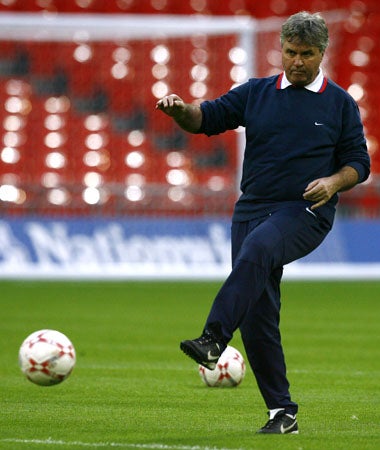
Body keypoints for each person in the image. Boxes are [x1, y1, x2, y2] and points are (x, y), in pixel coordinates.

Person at [156, 11, 370, 435]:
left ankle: (213, 338)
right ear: (282, 50)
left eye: (306, 54)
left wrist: (332, 181)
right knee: (257, 314)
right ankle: (281, 412)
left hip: (305, 210)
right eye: (290, 52)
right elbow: (206, 119)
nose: (296, 61)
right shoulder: (256, 93)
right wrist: (180, 111)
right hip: (252, 207)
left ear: (321, 54)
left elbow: (358, 164)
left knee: (257, 248)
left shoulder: (339, 103)